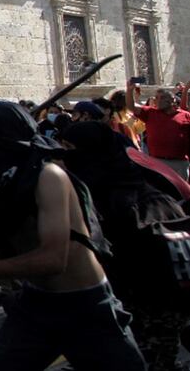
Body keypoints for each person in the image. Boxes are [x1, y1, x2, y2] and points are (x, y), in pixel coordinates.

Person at [0, 101, 145, 371]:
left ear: (0, 135)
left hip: (86, 306)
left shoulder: (48, 177)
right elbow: (3, 250)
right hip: (36, 304)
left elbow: (52, 259)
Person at [59, 121, 189, 371]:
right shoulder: (124, 184)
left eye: (68, 148)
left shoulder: (118, 198)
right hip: (147, 300)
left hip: (150, 302)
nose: (63, 157)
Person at [126, 78, 190, 180]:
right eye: (156, 97)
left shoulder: (186, 116)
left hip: (179, 164)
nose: (157, 100)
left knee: (180, 194)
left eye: (162, 98)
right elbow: (131, 107)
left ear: (172, 100)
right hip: (157, 162)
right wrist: (129, 90)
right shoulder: (150, 113)